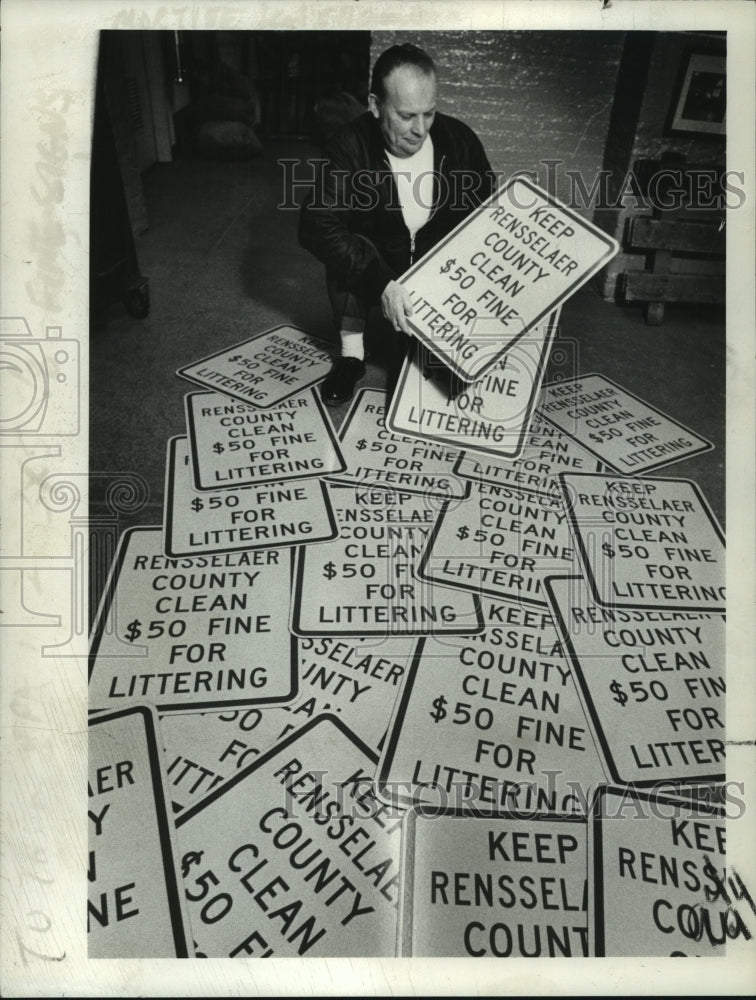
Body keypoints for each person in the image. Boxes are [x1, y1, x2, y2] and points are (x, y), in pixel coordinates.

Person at [299, 42, 495, 405]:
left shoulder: (460, 140)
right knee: (346, 243)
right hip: (378, 263)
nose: (420, 130)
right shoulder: (349, 144)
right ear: (375, 105)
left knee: (434, 381)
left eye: (429, 113)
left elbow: (486, 213)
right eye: (406, 116)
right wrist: (381, 283)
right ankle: (351, 355)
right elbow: (317, 223)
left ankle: (420, 342)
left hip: (433, 266)